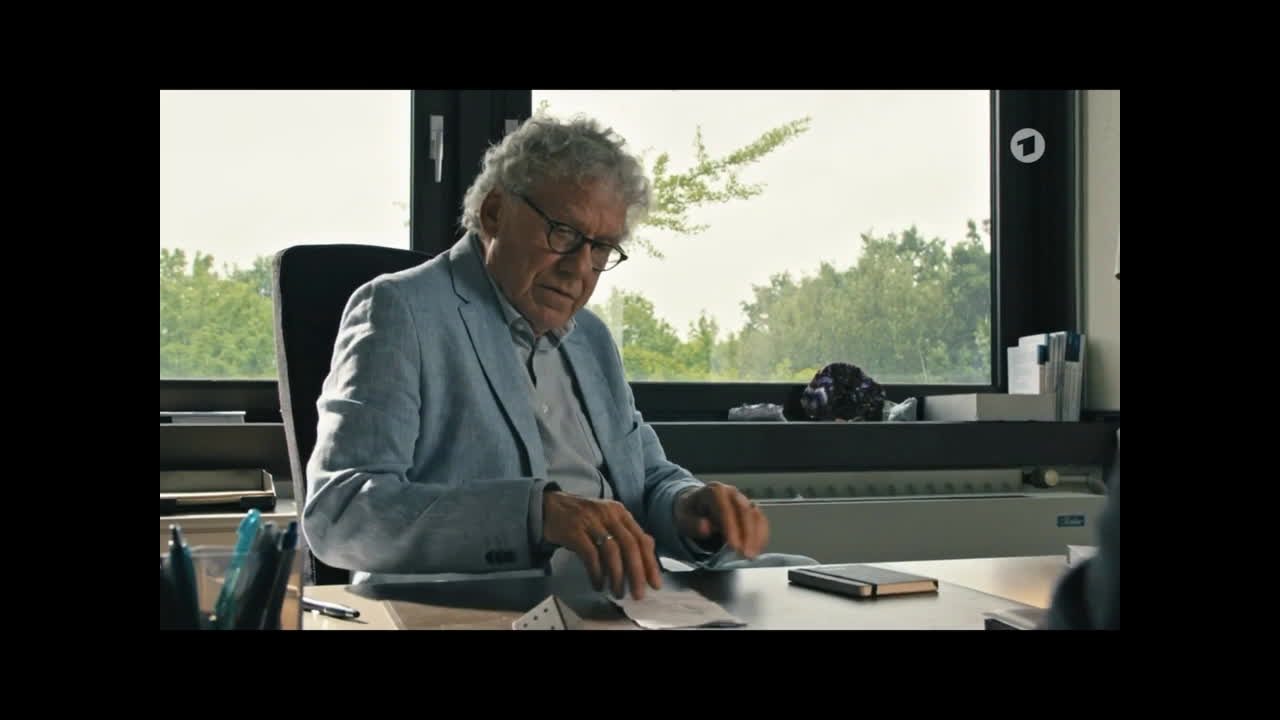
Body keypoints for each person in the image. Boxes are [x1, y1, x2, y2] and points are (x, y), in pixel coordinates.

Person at [303, 115, 786, 599]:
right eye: (563, 233)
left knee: (795, 579)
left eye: (601, 248)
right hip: (483, 607)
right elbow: (341, 515)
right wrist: (537, 515)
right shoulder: (400, 309)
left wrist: (688, 506)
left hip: (619, 602)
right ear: (494, 213)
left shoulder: (591, 337)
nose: (579, 269)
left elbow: (644, 479)